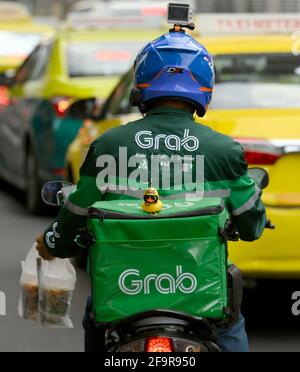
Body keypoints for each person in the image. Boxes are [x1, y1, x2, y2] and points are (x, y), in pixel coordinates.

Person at [36, 30, 266, 352]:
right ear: (204, 87)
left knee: (95, 313)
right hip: (199, 299)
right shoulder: (223, 150)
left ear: (141, 83)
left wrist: (51, 243)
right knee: (230, 316)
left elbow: (75, 214)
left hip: (123, 297)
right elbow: (251, 226)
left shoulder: (109, 145)